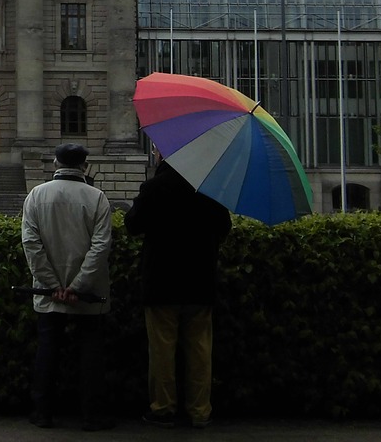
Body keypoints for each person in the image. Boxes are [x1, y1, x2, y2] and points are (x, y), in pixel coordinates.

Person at [124, 159, 232, 429]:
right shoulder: (210, 188)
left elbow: (132, 225)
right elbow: (224, 228)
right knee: (199, 350)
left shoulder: (153, 187)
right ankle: (200, 411)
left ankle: (163, 409)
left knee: (161, 350)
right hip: (199, 281)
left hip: (161, 281)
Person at [21, 143, 113, 431]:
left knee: (48, 350)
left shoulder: (36, 195)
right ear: (84, 165)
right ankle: (91, 416)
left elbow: (31, 245)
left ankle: (43, 412)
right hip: (89, 292)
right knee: (91, 353)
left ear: (55, 162)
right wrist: (77, 285)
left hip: (49, 294)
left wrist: (54, 285)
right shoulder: (97, 197)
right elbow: (100, 248)